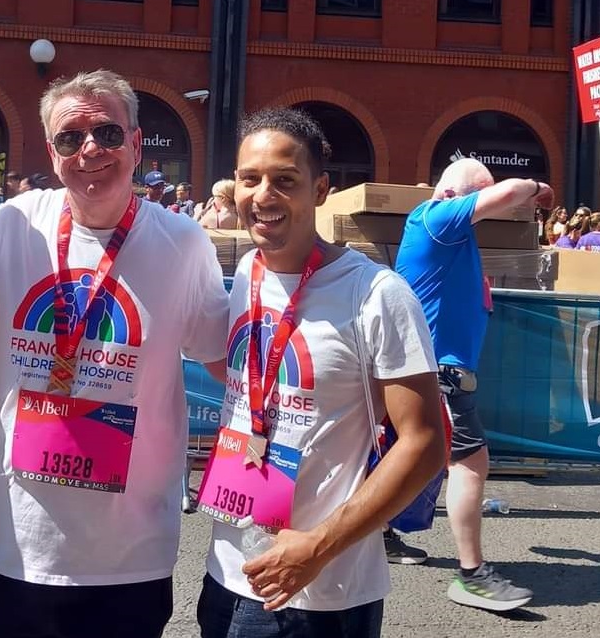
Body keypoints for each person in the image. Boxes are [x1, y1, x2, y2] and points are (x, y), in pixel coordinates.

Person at [0, 69, 230, 638]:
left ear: (135, 143)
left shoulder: (183, 244)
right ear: (52, 153)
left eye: (107, 133)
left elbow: (228, 361)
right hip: (10, 546)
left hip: (127, 560)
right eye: (69, 138)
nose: (90, 151)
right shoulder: (12, 227)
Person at [196, 107, 444, 637]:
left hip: (322, 591)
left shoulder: (376, 294)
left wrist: (319, 546)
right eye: (249, 179)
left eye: (285, 180)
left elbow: (425, 443)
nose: (263, 196)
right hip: (227, 570)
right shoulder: (247, 271)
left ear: (321, 188)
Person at [394, 157, 553, 612]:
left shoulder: (449, 235)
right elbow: (504, 194)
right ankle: (471, 576)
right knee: (469, 464)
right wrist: (536, 186)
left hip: (434, 373)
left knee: (408, 459)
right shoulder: (437, 217)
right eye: (477, 198)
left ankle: (382, 536)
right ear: (454, 194)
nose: (487, 211)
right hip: (440, 375)